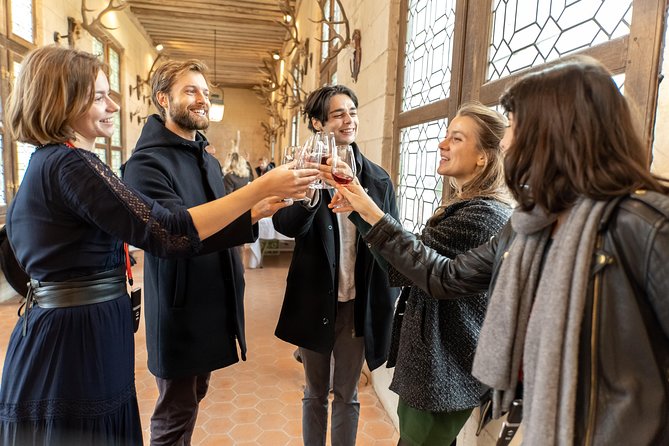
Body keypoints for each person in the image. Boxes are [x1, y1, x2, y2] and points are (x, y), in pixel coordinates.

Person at [333, 55, 669, 445]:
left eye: (515, 127)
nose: (506, 142)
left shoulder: (647, 227)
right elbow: (445, 276)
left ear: (558, 131)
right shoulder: (530, 225)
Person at [0, 45, 317, 446]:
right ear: (60, 101)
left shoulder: (61, 160)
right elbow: (167, 230)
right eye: (98, 97)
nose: (112, 105)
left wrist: (252, 213)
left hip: (86, 322)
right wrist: (260, 187)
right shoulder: (71, 163)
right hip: (75, 334)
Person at [122, 60, 296, 446]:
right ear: (162, 98)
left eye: (205, 92)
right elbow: (177, 231)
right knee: (174, 412)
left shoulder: (207, 159)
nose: (202, 99)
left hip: (212, 303)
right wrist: (257, 190)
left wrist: (256, 211)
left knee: (192, 399)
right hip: (180, 308)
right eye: (190, 91)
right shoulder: (145, 163)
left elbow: (216, 225)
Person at [368, 102, 512, 446]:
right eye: (446, 136)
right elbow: (406, 261)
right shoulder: (465, 204)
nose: (442, 144)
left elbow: (408, 266)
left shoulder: (482, 215)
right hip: (437, 365)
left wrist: (365, 210)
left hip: (443, 366)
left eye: (456, 138)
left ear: (483, 157)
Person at [272, 84, 400, 446]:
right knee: (314, 392)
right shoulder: (301, 170)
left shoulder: (376, 179)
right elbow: (285, 226)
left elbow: (392, 240)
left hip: (357, 305)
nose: (349, 120)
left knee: (347, 392)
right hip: (315, 298)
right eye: (339, 114)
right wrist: (310, 194)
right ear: (318, 123)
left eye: (353, 112)